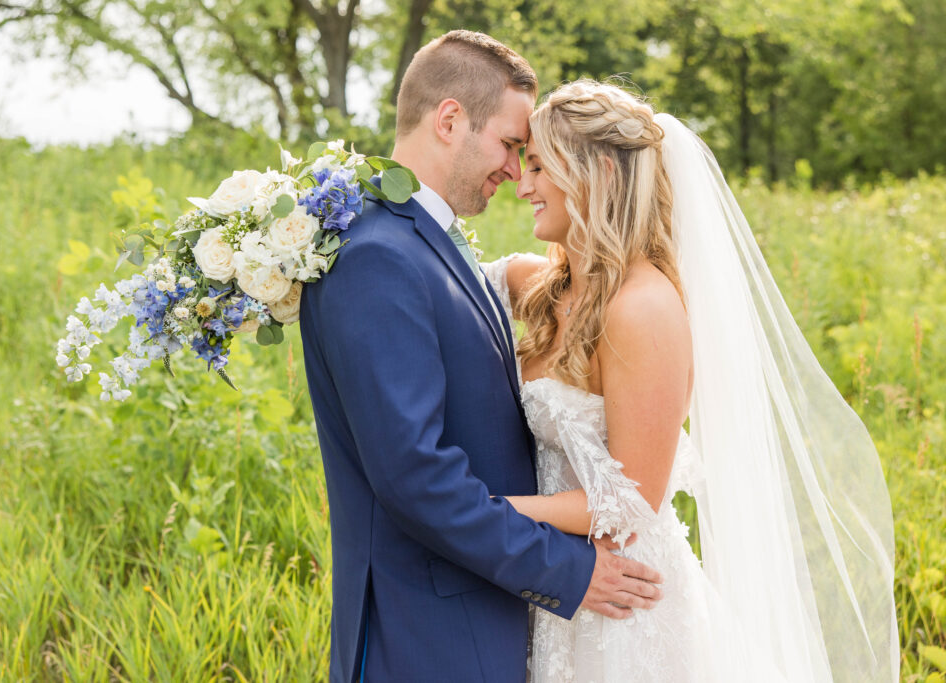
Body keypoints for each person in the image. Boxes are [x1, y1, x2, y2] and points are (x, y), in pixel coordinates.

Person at [484, 79, 899, 681]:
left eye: (540, 168)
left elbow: (627, 503)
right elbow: (450, 279)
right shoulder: (550, 284)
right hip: (559, 582)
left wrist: (488, 513)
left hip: (625, 606)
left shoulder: (642, 308)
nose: (521, 186)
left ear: (595, 172)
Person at [299, 35, 664, 683]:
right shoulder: (380, 255)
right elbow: (414, 475)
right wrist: (567, 570)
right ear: (448, 121)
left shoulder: (435, 243)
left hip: (496, 612)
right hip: (428, 634)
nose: (515, 174)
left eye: (535, 162)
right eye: (508, 146)